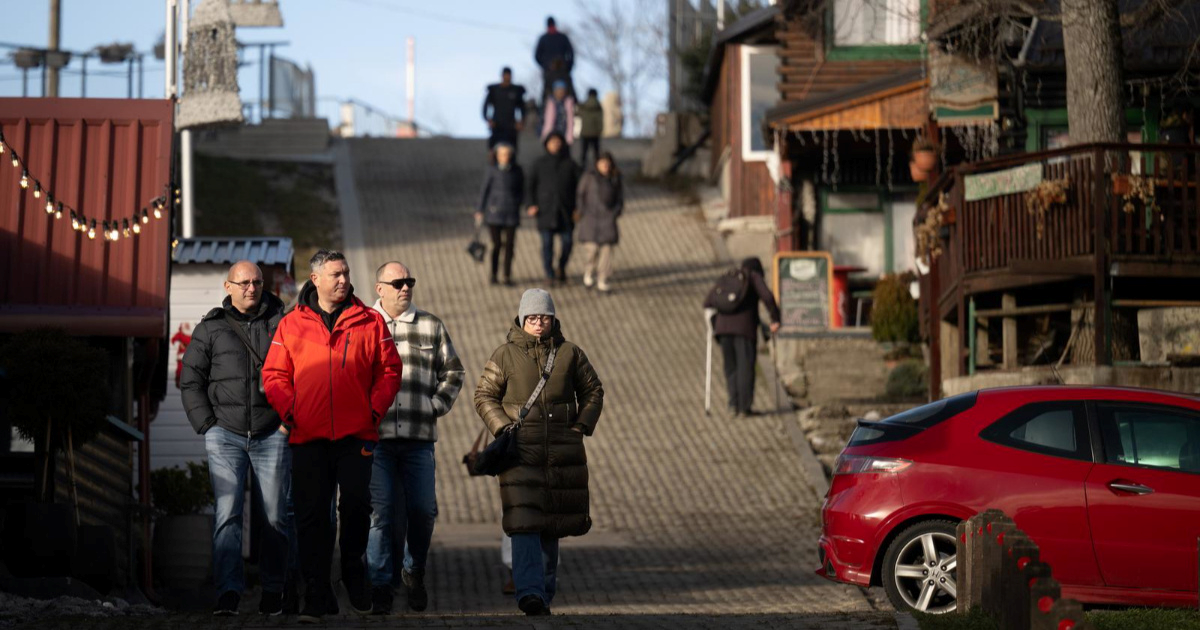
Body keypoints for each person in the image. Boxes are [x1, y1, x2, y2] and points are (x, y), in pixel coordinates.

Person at [262, 250, 403, 623]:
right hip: (307, 437)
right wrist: (292, 412)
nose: (343, 280)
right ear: (315, 279)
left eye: (346, 273)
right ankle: (316, 593)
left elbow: (390, 370)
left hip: (356, 434)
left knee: (356, 506)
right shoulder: (291, 323)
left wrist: (373, 411)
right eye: (336, 274)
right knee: (310, 518)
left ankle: (353, 568)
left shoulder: (370, 321)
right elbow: (274, 375)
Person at [474, 289, 604, 616]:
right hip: (521, 454)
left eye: (543, 317)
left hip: (561, 453)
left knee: (552, 525)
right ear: (521, 318)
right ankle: (529, 593)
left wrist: (580, 426)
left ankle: (544, 594)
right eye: (531, 317)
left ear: (552, 318)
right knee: (524, 522)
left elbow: (593, 390)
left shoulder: (570, 353)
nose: (538, 323)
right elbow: (484, 395)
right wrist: (503, 427)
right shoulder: (504, 355)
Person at [180, 261, 289, 617]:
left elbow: (302, 373)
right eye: (243, 283)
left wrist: (289, 422)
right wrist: (208, 426)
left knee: (274, 516)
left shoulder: (283, 323)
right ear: (228, 286)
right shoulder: (210, 328)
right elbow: (190, 380)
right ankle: (228, 593)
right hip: (224, 434)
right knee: (227, 515)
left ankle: (273, 591)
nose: (251, 288)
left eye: (257, 282)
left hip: (272, 432)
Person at [367, 262, 465, 614]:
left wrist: (435, 404)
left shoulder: (430, 324)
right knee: (381, 513)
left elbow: (454, 371)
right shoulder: (362, 323)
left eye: (409, 281)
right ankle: (379, 584)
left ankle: (413, 569)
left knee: (423, 511)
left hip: (418, 439)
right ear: (380, 288)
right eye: (397, 282)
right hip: (375, 441)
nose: (405, 287)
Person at [702, 257, 782, 417]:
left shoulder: (728, 277)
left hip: (723, 330)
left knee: (731, 367)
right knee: (745, 366)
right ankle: (745, 407)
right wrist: (775, 318)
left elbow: (708, 301)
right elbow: (767, 296)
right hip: (744, 329)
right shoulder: (753, 276)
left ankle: (733, 404)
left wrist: (713, 323)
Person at [528, 131, 581, 285]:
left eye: (558, 142)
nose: (555, 145)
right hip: (545, 211)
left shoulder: (570, 164)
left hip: (566, 211)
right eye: (552, 142)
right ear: (546, 145)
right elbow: (530, 185)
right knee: (547, 245)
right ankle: (549, 274)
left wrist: (578, 208)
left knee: (568, 242)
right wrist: (531, 204)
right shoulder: (539, 163)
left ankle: (561, 267)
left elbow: (580, 186)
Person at [476, 142, 524, 286]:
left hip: (511, 213)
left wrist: (519, 203)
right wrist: (480, 209)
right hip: (494, 213)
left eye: (507, 154)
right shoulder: (492, 170)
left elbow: (522, 190)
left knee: (509, 245)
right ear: (496, 156)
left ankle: (507, 275)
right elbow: (484, 190)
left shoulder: (517, 170)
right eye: (502, 154)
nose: (505, 157)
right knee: (496, 244)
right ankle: (494, 274)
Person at [576, 152, 624, 293]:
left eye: (607, 164)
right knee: (592, 250)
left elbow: (620, 199)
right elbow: (580, 194)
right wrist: (581, 211)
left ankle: (603, 279)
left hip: (607, 220)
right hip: (590, 220)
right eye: (602, 163)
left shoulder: (615, 179)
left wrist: (616, 212)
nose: (605, 166)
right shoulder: (588, 178)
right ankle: (589, 272)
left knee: (607, 252)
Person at [483, 67, 527, 153]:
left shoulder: (516, 90)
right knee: (494, 148)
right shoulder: (494, 90)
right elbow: (485, 107)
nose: (507, 77)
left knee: (512, 148)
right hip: (497, 124)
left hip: (511, 125)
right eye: (505, 75)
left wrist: (521, 121)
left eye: (509, 75)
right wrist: (488, 119)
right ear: (502, 76)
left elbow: (523, 108)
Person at [534, 16, 575, 105]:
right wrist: (568, 66)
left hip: (553, 71)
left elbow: (537, 56)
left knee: (548, 96)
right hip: (559, 71)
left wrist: (545, 66)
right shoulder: (562, 37)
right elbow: (571, 53)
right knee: (569, 95)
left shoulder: (544, 38)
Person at [540, 80, 575, 146]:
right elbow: (547, 120)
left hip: (564, 132)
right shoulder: (550, 102)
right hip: (552, 132)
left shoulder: (568, 102)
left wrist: (570, 136)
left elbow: (570, 120)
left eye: (562, 91)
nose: (560, 93)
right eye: (558, 90)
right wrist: (545, 135)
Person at [577, 89, 603, 166]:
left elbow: (578, 113)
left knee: (584, 152)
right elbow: (600, 120)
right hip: (595, 133)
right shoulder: (598, 106)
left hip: (585, 132)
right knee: (596, 152)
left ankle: (582, 166)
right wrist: (600, 130)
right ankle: (598, 166)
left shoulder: (584, 105)